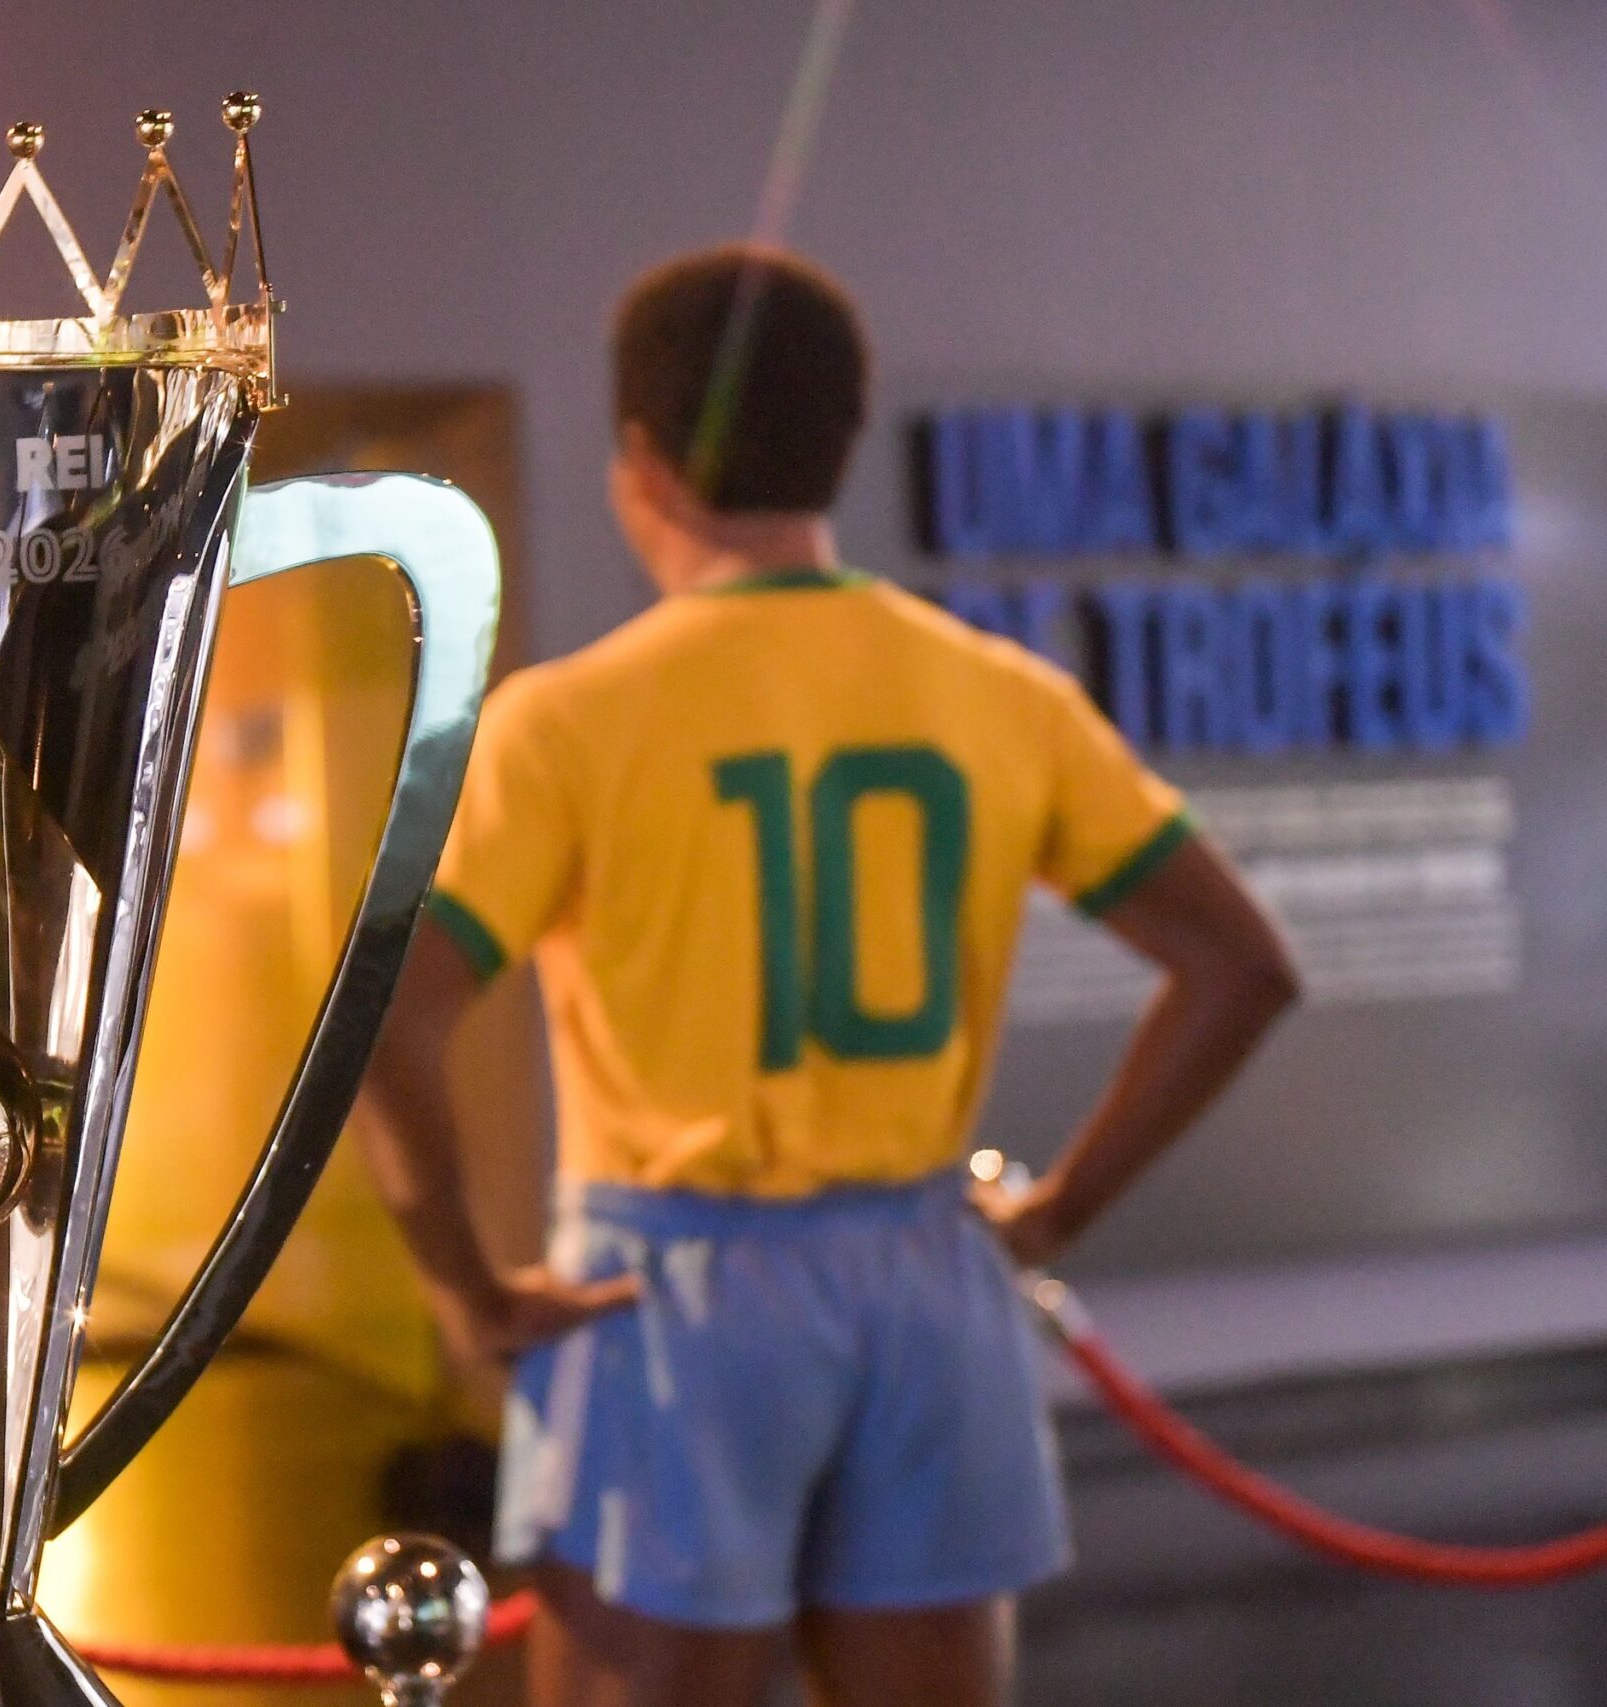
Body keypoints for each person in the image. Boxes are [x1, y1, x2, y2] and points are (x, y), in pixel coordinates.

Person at [353, 245, 1300, 1707]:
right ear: (845, 442)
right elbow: (1240, 967)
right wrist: (1060, 1210)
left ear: (640, 460)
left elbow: (384, 1029)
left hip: (667, 1301)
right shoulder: (1009, 699)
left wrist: (466, 1285)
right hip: (929, 1280)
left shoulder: (569, 723)